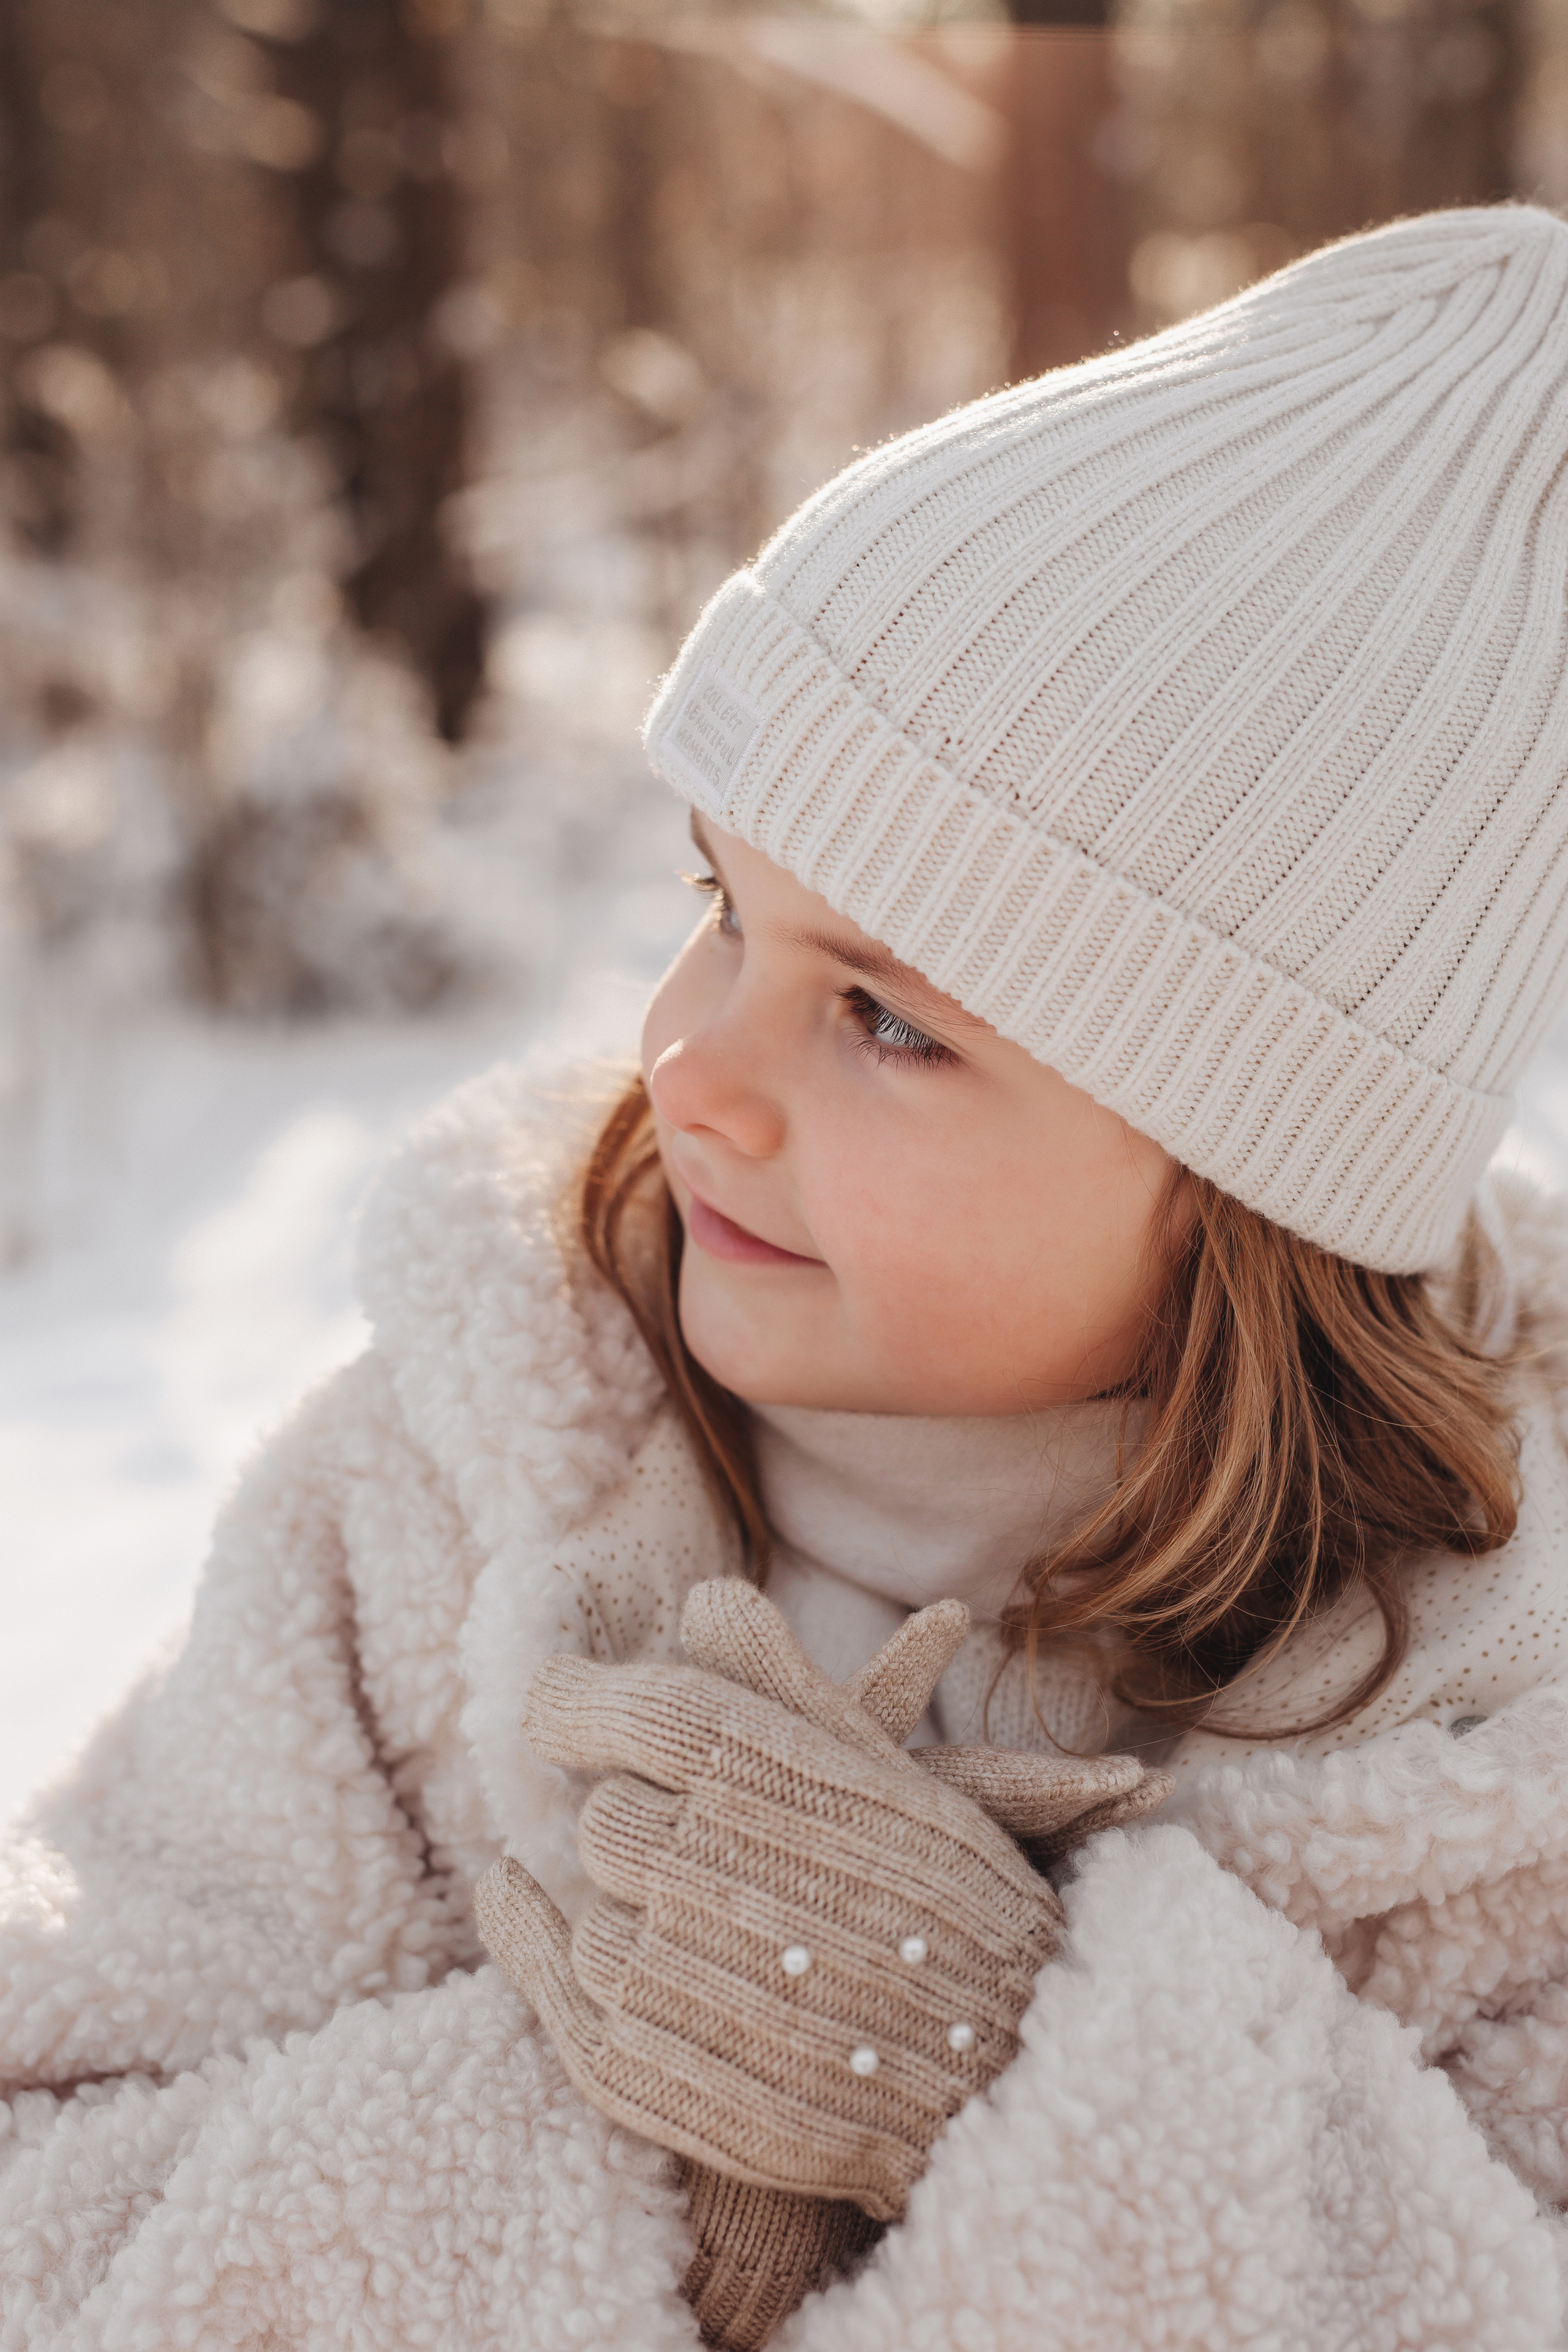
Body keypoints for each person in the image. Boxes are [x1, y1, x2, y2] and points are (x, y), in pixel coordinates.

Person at [6, 203, 1568, 2351]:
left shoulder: (1493, 1776)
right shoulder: (429, 1522)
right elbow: (45, 2181)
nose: (688, 1069)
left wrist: (1003, 2083)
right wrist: (663, 2183)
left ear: (1253, 1186)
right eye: (720, 908)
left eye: (887, 1018)